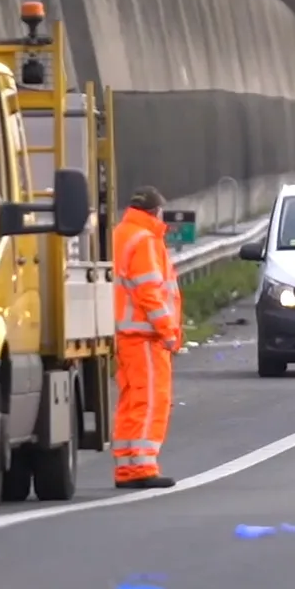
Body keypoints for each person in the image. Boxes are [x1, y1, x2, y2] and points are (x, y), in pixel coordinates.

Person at [111, 186, 183, 488]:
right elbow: (150, 292)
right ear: (155, 212)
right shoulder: (146, 240)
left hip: (125, 334)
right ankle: (142, 466)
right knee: (151, 400)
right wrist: (168, 331)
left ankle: (127, 466)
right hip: (146, 336)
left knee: (132, 399)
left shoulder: (120, 235)